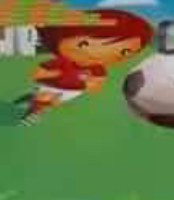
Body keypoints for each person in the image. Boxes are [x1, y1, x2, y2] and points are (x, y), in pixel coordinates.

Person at [18, 9, 154, 123]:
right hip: (52, 85)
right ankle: (31, 113)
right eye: (84, 44)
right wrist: (55, 74)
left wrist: (90, 83)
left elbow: (95, 86)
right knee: (44, 98)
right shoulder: (61, 62)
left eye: (124, 52)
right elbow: (37, 73)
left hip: (73, 91)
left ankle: (32, 102)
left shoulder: (97, 69)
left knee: (52, 101)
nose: (98, 54)